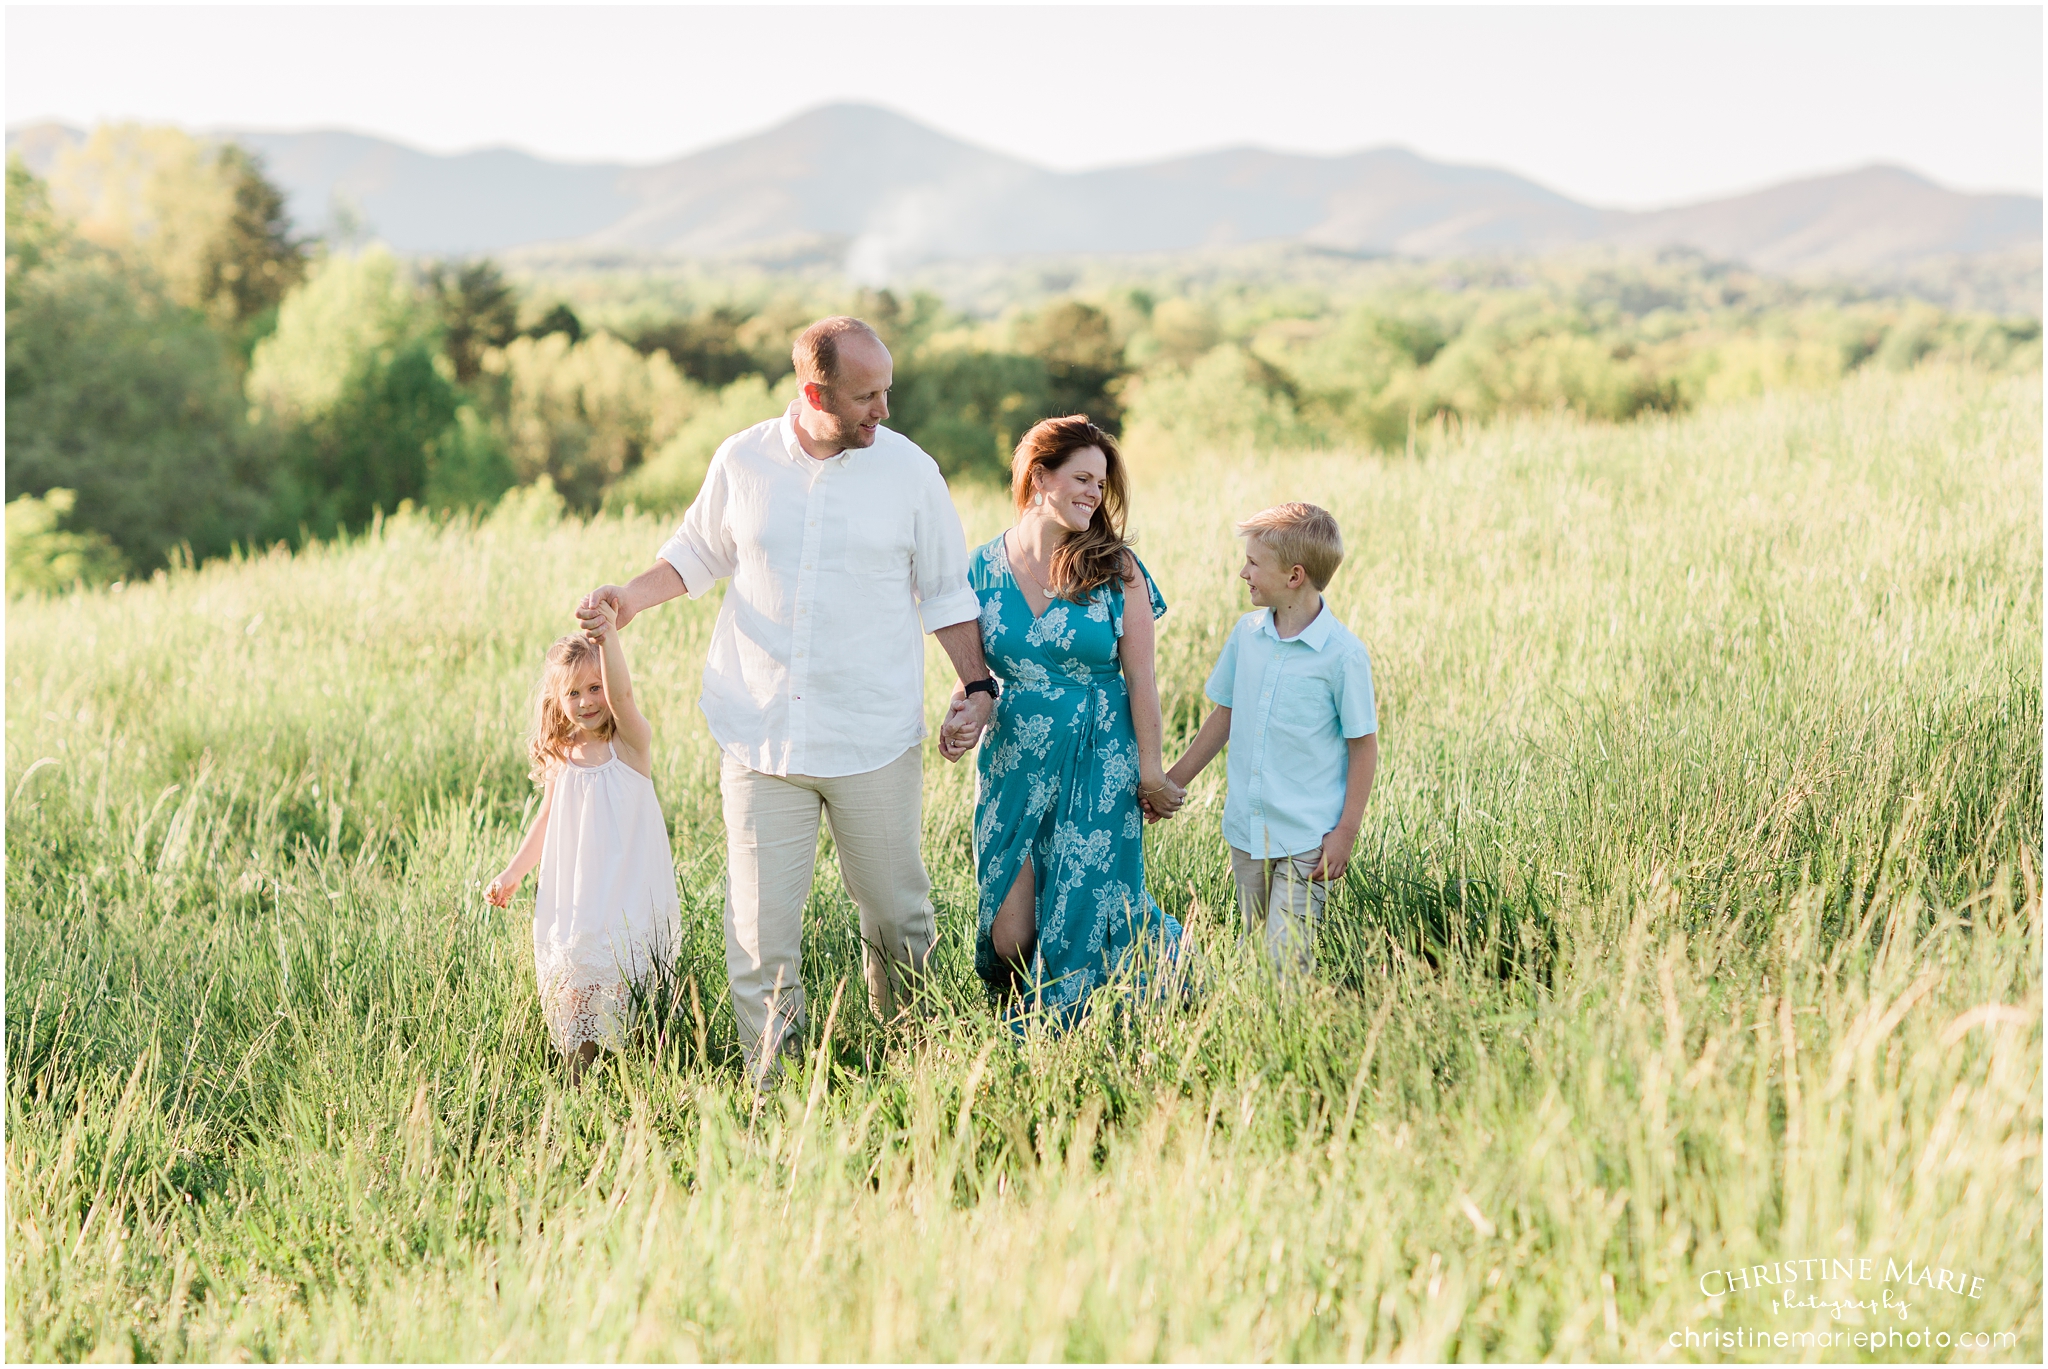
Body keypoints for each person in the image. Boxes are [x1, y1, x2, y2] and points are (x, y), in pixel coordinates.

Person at [576, 317, 995, 1086]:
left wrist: (977, 687)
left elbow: (944, 591)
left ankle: (912, 1069)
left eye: (887, 390)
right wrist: (628, 599)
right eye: (867, 395)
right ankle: (775, 1091)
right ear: (814, 392)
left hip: (873, 737)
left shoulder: (911, 473)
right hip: (761, 736)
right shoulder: (744, 460)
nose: (885, 410)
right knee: (760, 937)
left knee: (899, 920)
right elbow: (696, 553)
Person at [937, 415, 1187, 1027]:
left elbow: (1142, 681)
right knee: (1008, 934)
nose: (1092, 495)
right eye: (1081, 478)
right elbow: (977, 674)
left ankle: (1067, 1033)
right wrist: (960, 714)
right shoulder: (980, 568)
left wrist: (1150, 770)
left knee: (1080, 912)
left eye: (1100, 485)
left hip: (1100, 757)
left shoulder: (1115, 569)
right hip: (1013, 761)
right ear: (1038, 475)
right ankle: (1156, 960)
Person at [1164, 503, 1378, 976]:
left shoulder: (1343, 657)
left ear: (1294, 576)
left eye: (1254, 563)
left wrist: (1345, 832)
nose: (1244, 572)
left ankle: (1289, 1032)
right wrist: (1170, 782)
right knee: (1256, 947)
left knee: (1286, 960)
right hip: (1248, 828)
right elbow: (1224, 717)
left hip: (1308, 836)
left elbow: (1363, 746)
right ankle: (1257, 1033)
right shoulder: (1247, 636)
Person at [486, 605, 681, 1083]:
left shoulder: (631, 745)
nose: (587, 700)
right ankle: (579, 1088)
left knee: (630, 985)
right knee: (576, 985)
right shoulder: (562, 755)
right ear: (557, 699)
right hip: (576, 896)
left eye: (595, 688)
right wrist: (512, 873)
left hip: (628, 891)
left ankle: (643, 1081)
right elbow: (546, 820)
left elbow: (625, 694)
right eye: (573, 692)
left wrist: (608, 637)